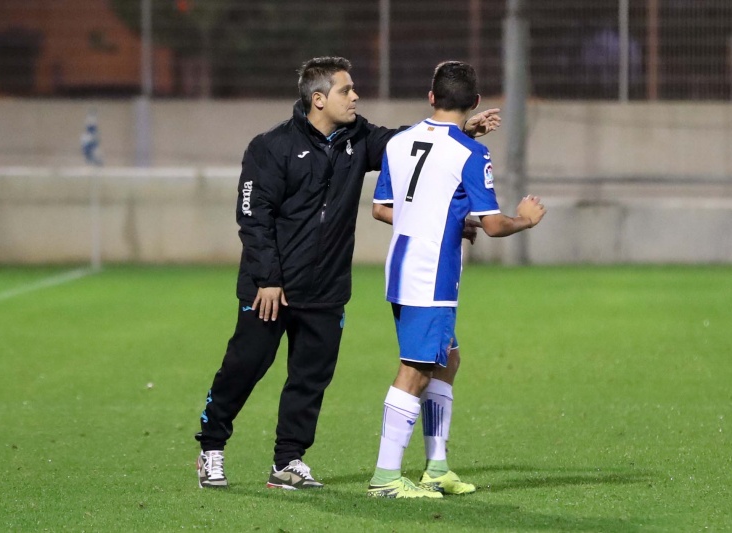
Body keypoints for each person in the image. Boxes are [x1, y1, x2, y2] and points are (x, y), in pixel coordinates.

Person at [195, 56, 502, 490]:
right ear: (319, 99)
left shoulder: (358, 138)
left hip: (327, 287)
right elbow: (253, 217)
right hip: (271, 288)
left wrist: (461, 129)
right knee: (244, 367)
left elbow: (408, 144)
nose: (355, 96)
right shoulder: (270, 147)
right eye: (346, 90)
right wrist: (268, 279)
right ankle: (211, 448)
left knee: (310, 379)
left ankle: (288, 461)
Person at [366, 60, 547, 498]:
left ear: (431, 97)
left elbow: (382, 208)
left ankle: (436, 468)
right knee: (416, 369)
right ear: (476, 102)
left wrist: (448, 220)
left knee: (447, 360)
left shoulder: (400, 142)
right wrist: (525, 219)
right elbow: (494, 225)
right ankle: (385, 478)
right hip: (431, 274)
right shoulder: (470, 152)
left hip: (404, 265)